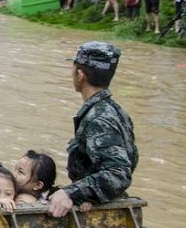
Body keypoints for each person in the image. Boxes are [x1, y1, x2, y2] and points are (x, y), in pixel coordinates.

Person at [48, 42, 138, 218]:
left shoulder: (99, 118)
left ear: (80, 75)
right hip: (100, 202)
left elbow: (118, 174)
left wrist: (71, 193)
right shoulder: (114, 110)